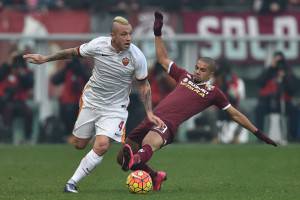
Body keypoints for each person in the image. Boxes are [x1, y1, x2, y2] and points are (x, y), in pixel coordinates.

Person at [117, 11, 277, 191]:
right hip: (151, 118)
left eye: (203, 69)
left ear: (211, 74)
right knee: (122, 160)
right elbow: (162, 60)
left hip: (167, 125)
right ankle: (155, 176)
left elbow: (235, 114)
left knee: (148, 143)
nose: (198, 71)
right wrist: (158, 33)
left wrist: (258, 133)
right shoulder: (183, 76)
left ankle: (137, 159)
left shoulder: (212, 92)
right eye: (197, 67)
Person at [23, 16, 164, 193]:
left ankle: (71, 183)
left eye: (130, 34)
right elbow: (72, 52)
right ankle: (96, 140)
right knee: (79, 144)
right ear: (112, 36)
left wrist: (149, 112)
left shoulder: (137, 56)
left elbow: (144, 85)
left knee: (102, 145)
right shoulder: (98, 45)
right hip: (91, 101)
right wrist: (45, 58)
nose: (128, 38)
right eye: (123, 34)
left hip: (115, 108)